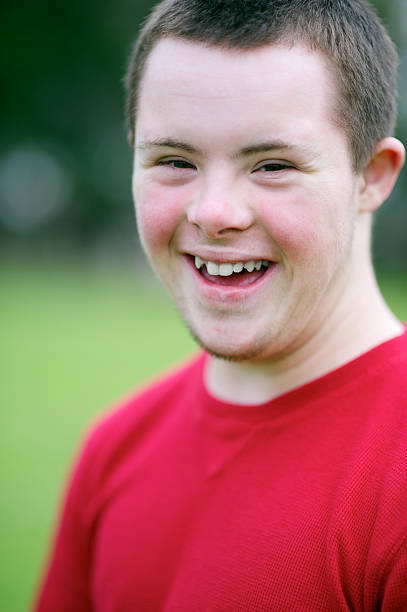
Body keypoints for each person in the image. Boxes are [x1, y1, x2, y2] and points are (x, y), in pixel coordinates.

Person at [34, 0, 407, 610]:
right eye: (175, 161)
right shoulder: (115, 450)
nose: (213, 212)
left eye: (273, 165)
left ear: (371, 175)